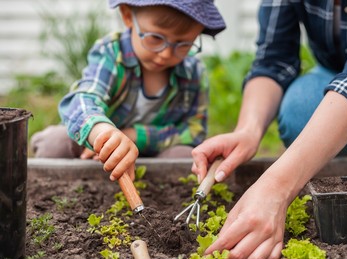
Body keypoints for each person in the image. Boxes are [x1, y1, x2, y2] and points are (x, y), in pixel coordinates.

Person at [192, 0, 347, 259]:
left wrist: (276, 187)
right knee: (300, 111)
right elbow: (273, 61)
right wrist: (248, 131)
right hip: (335, 72)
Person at [31, 0, 225, 181]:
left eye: (183, 44)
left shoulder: (194, 72)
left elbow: (194, 132)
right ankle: (77, 186)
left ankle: (150, 192)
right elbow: (83, 98)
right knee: (54, 144)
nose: (166, 54)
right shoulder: (111, 53)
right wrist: (102, 134)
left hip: (155, 152)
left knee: (185, 157)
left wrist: (134, 135)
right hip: (95, 145)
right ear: (127, 15)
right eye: (155, 38)